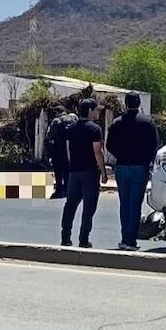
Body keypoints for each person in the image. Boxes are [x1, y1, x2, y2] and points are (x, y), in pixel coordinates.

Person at [106, 92, 159, 250]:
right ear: (139, 103)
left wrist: (120, 155)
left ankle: (124, 238)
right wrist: (147, 160)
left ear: (125, 103)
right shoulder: (148, 122)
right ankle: (131, 241)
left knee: (124, 204)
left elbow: (109, 145)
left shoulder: (117, 123)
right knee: (135, 205)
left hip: (122, 166)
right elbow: (154, 144)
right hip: (140, 167)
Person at [60, 98, 107, 248]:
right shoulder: (95, 129)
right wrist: (103, 171)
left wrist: (72, 165)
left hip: (74, 171)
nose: (98, 112)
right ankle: (83, 238)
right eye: (96, 109)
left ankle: (65, 237)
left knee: (70, 205)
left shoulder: (70, 129)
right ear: (89, 111)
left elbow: (68, 152)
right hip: (90, 172)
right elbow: (97, 152)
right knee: (89, 207)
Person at [45, 105, 76, 198]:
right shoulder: (73, 119)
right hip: (70, 151)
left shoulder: (56, 121)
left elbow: (49, 135)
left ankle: (59, 190)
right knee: (68, 170)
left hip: (58, 151)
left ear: (57, 112)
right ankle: (67, 189)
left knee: (58, 171)